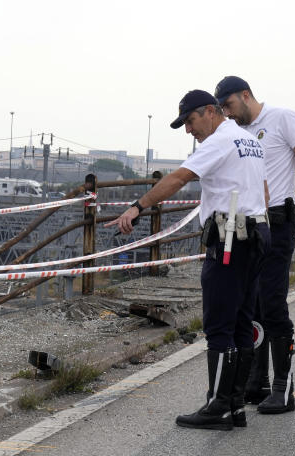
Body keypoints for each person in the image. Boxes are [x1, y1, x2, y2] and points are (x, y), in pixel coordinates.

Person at [108, 90, 269, 431]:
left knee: (219, 324)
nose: (188, 130)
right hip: (255, 236)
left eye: (191, 121)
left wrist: (138, 207)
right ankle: (235, 405)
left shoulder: (220, 140)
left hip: (230, 239)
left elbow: (180, 177)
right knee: (241, 322)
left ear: (211, 111)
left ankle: (218, 406)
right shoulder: (247, 139)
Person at [215, 76, 295, 414]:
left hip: (280, 221)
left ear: (246, 95)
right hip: (252, 223)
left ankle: (283, 388)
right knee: (252, 304)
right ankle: (256, 382)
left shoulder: (282, 117)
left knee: (272, 304)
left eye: (229, 105)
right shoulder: (237, 131)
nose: (227, 114)